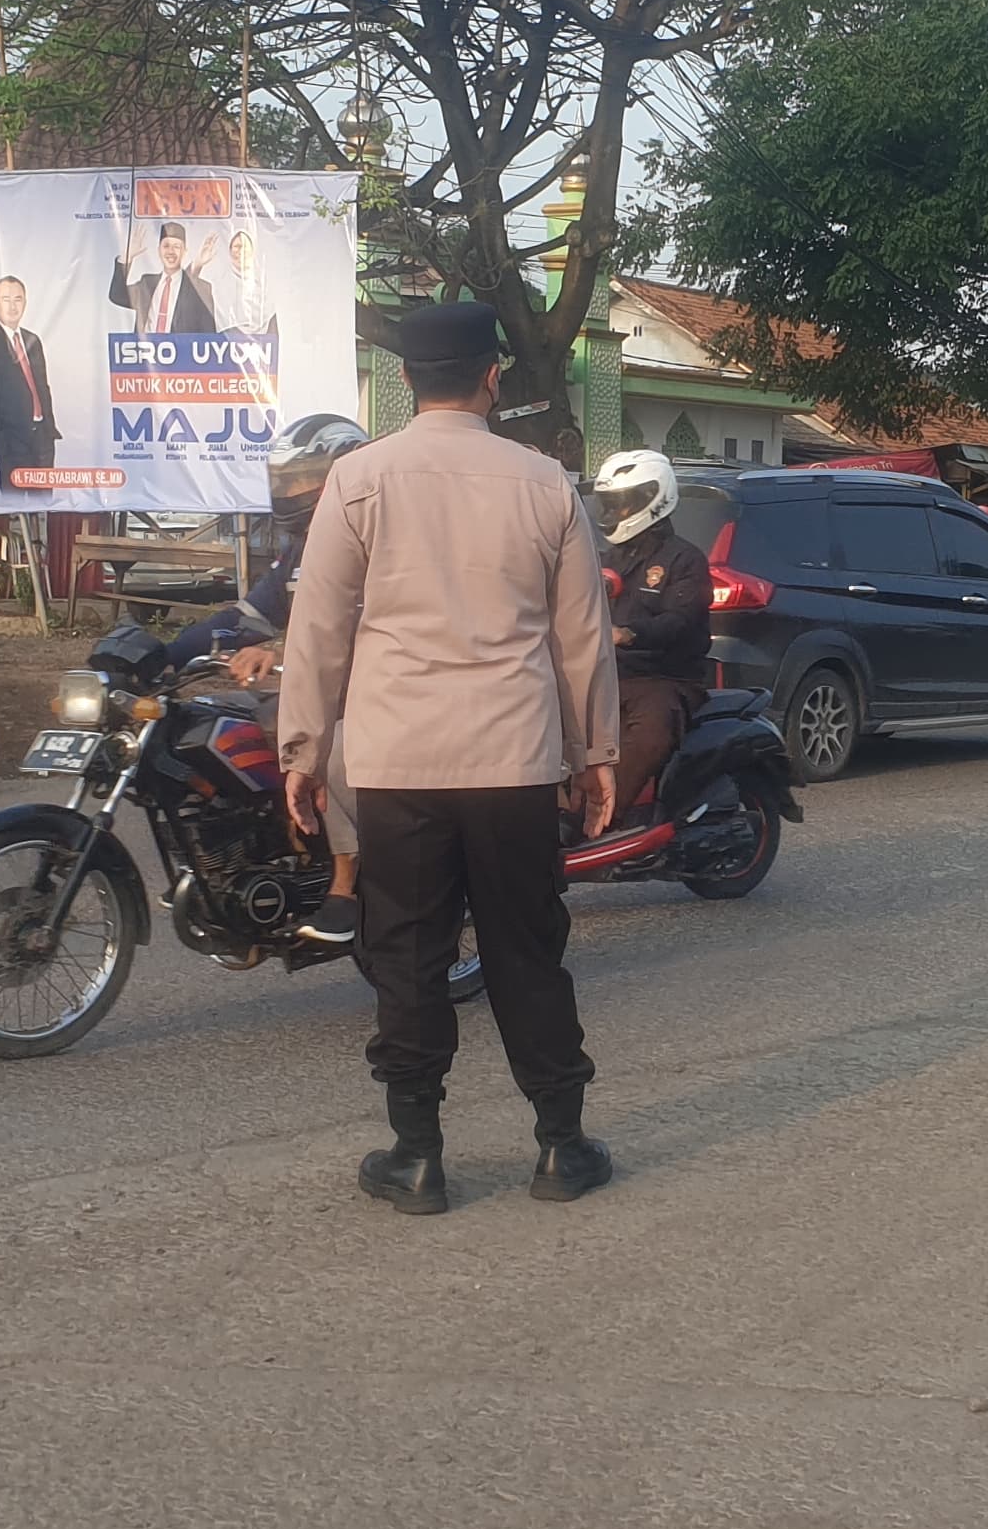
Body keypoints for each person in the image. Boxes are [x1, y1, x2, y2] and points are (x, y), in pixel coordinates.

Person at [278, 303, 620, 1215]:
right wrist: (595, 752)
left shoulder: (357, 480)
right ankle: (561, 1146)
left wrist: (303, 750)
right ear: (492, 378)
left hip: (398, 763)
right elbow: (582, 637)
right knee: (526, 951)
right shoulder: (545, 484)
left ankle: (418, 1156)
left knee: (408, 955)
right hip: (514, 759)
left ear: (406, 382)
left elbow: (319, 630)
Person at [231, 413, 371, 949]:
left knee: (331, 753)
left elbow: (354, 626)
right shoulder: (297, 548)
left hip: (372, 693)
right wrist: (162, 654)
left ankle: (346, 885)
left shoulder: (371, 540)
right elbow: (250, 613)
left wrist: (278, 651)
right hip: (322, 687)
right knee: (232, 730)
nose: (291, 492)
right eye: (284, 480)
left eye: (304, 478)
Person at [591, 449, 711, 821]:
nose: (613, 513)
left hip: (665, 679)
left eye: (622, 504)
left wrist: (628, 634)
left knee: (650, 733)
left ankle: (601, 819)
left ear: (652, 499)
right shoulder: (603, 558)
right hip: (608, 675)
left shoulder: (685, 560)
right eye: (609, 504)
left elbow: (680, 621)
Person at [0, 276, 58, 487]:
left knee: (44, 499)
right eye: (6, 299)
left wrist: (49, 428)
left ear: (25, 303)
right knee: (15, 501)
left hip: (42, 438)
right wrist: (0, 444)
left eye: (18, 299)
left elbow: (42, 387)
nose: (12, 306)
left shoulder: (33, 340)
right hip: (12, 442)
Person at [111, 219, 218, 336]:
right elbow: (117, 295)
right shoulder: (146, 283)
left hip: (180, 348)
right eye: (166, 246)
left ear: (184, 251)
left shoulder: (202, 289)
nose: (170, 251)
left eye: (176, 246)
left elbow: (208, 336)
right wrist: (127, 257)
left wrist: (196, 265)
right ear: (159, 250)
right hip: (146, 347)